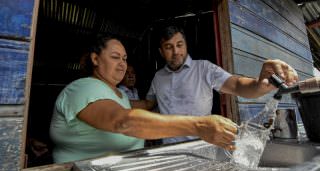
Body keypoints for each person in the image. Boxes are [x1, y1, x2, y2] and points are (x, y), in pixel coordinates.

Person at [49, 34, 238, 163]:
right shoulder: (82, 88)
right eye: (115, 57)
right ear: (95, 59)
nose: (122, 64)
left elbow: (146, 105)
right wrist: (199, 126)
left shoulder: (121, 95)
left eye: (124, 58)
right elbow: (123, 121)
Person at [132, 25, 298, 144]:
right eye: (169, 47)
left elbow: (237, 85)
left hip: (200, 145)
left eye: (179, 45)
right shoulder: (158, 77)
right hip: (167, 149)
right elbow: (149, 103)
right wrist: (118, 101)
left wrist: (257, 85)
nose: (176, 52)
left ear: (186, 45)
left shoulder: (204, 68)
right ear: (161, 52)